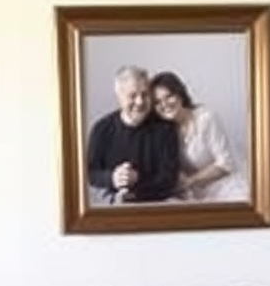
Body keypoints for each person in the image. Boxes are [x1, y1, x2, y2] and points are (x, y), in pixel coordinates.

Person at [86, 65, 179, 204]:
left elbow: (169, 179)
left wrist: (136, 181)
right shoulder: (102, 128)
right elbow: (90, 173)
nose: (140, 102)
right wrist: (112, 178)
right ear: (119, 96)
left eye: (145, 94)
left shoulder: (165, 129)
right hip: (112, 199)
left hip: (155, 201)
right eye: (133, 95)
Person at [150, 70, 248, 202]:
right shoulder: (165, 131)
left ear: (180, 94)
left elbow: (226, 164)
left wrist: (190, 181)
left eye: (169, 96)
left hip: (225, 185)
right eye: (157, 102)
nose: (165, 104)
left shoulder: (206, 118)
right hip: (195, 192)